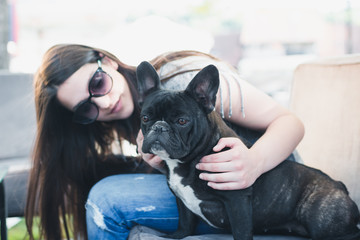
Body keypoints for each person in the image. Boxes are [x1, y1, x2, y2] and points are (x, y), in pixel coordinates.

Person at [25, 44, 304, 240]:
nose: (105, 102)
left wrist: (254, 162)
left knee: (106, 200)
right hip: (209, 196)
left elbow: (290, 122)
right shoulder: (135, 113)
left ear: (106, 61)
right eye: (87, 108)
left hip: (273, 191)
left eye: (97, 83)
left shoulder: (181, 80)